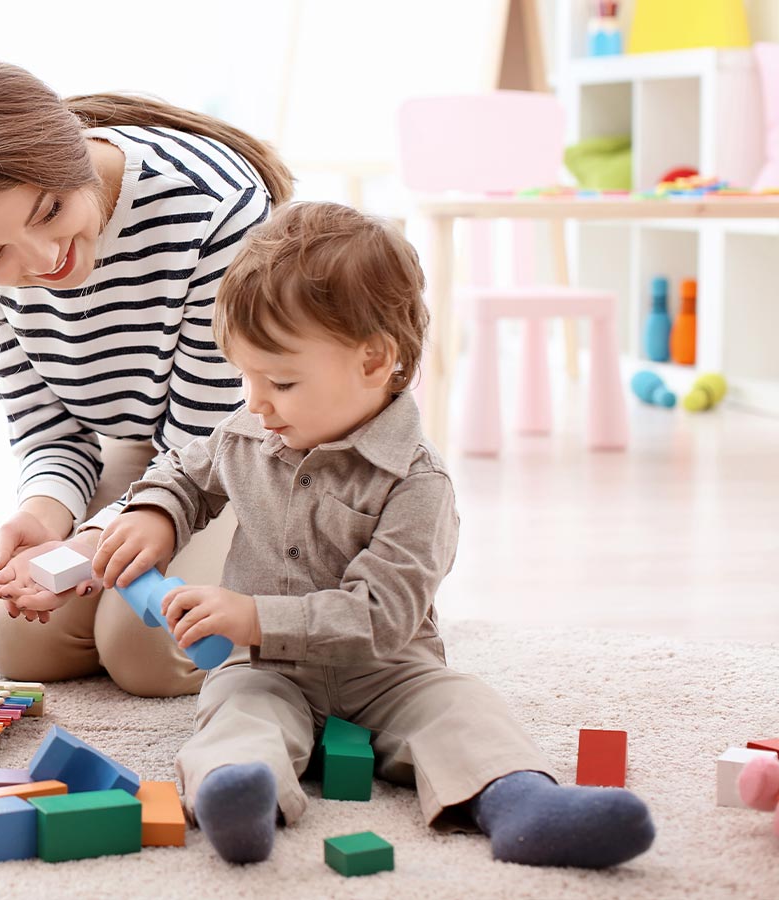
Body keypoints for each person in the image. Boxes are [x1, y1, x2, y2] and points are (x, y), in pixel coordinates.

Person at [60, 201, 654, 868]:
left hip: (389, 670)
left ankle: (522, 804)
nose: (255, 401)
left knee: (462, 707)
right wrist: (155, 513)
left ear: (374, 362)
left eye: (280, 381)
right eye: (245, 377)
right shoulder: (252, 431)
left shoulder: (419, 485)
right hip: (267, 669)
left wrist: (254, 615)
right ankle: (237, 795)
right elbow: (187, 471)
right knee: (235, 712)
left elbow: (383, 616)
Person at [0, 57, 293, 697]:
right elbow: (47, 427)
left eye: (50, 210)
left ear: (73, 155)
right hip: (145, 442)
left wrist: (90, 544)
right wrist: (45, 513)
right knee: (24, 643)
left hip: (244, 447)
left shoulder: (211, 207)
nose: (42, 260)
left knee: (148, 649)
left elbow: (204, 443)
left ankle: (302, 583)